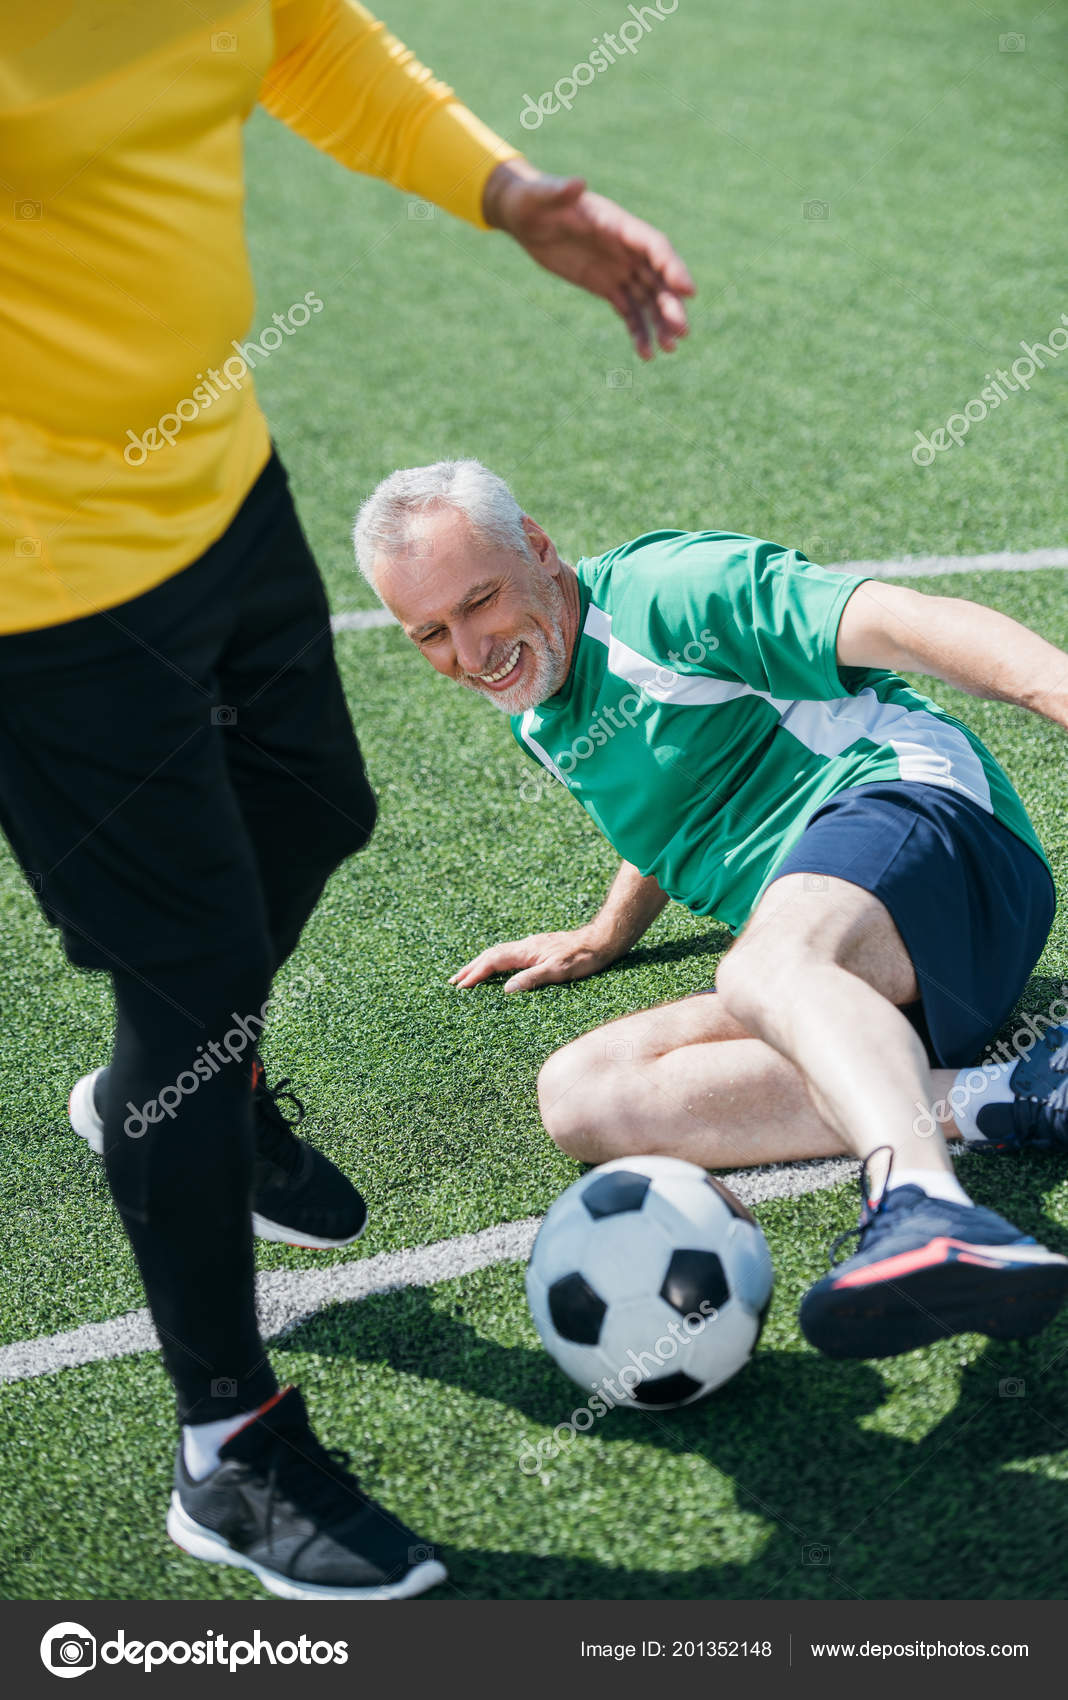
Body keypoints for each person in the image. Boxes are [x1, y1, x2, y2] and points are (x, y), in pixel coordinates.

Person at [1, 5, 693, 1600]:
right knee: (196, 985)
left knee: (317, 805)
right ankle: (226, 1449)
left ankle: (184, 1102)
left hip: (217, 486)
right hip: (40, 591)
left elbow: (300, 35)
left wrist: (511, 192)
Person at [353, 457, 1068, 1365]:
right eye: (430, 633)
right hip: (875, 976)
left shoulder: (667, 594)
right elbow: (678, 801)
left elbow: (912, 623)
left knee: (765, 966)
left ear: (538, 546)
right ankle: (1023, 1090)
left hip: (939, 838)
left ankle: (925, 1208)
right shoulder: (538, 710)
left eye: (481, 600)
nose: (468, 650)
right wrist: (609, 928)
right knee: (581, 1097)